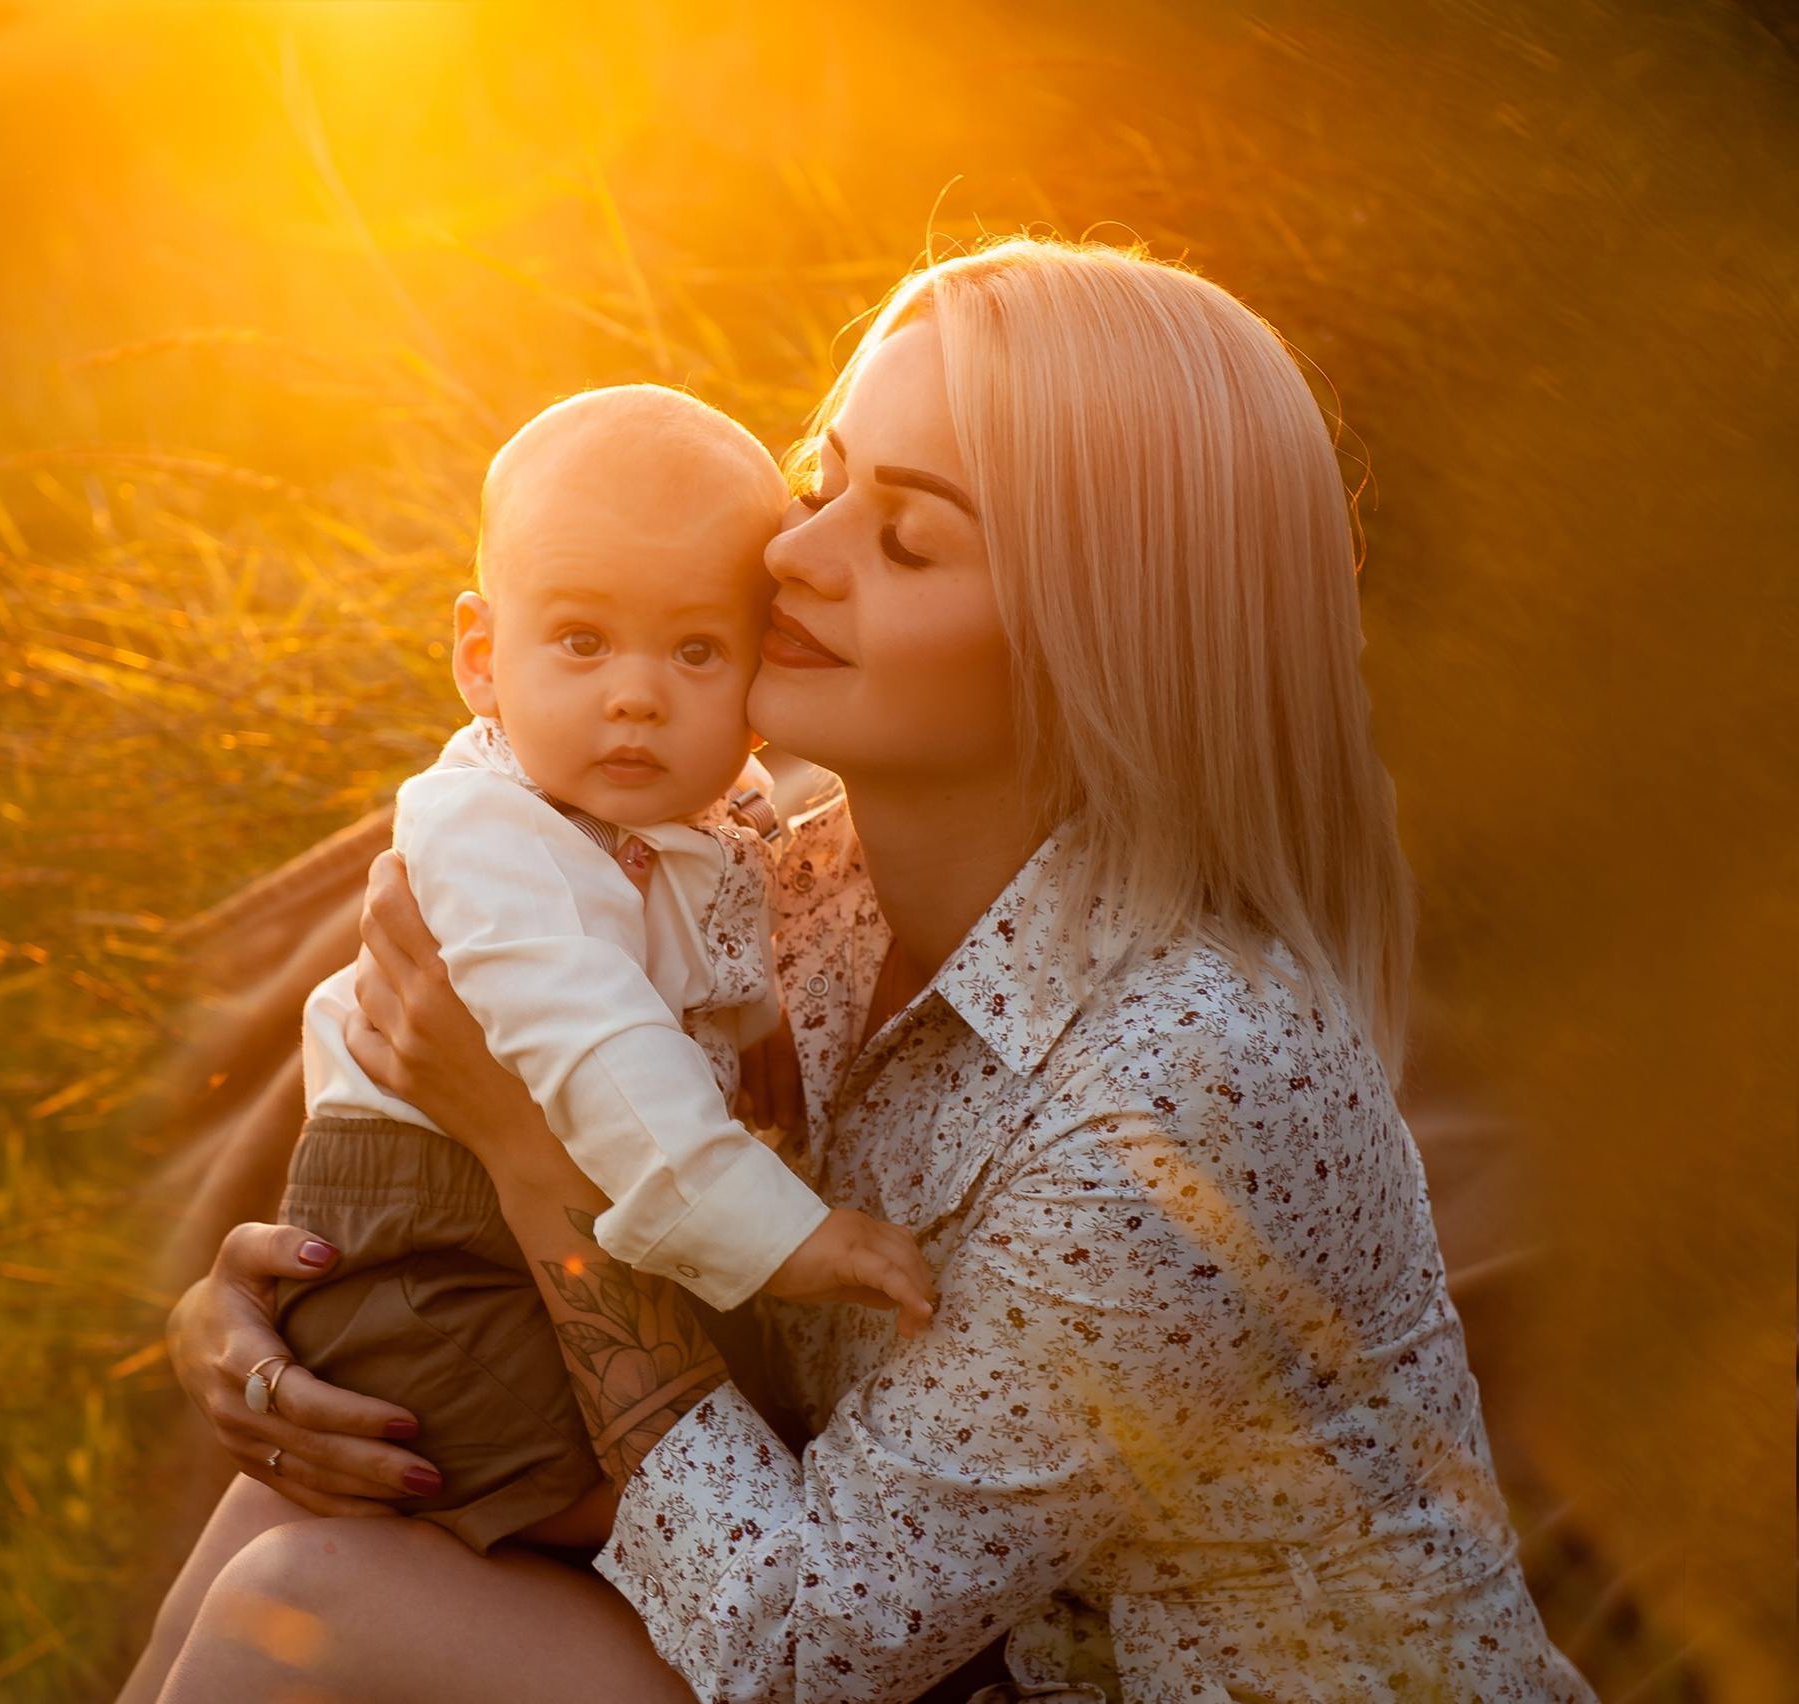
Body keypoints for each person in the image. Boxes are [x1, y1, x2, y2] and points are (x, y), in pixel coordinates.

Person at [138, 238, 1596, 1703]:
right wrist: (288, 1333)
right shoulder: (773, 894)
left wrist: (536, 1175)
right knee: (291, 1513)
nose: (790, 555)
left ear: (1098, 639)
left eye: (905, 541)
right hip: (931, 1646)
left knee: (317, 1597)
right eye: (825, 484)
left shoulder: (1197, 1071)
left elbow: (798, 1652)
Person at [271, 383, 934, 1558]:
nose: (634, 694)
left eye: (694, 649)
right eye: (581, 641)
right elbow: (600, 1049)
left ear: (758, 674)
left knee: (689, 1443)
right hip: (430, 1238)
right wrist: (779, 1236)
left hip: (573, 1204)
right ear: (481, 658)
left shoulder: (717, 819)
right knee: (573, 1491)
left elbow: (716, 974)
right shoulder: (491, 830)